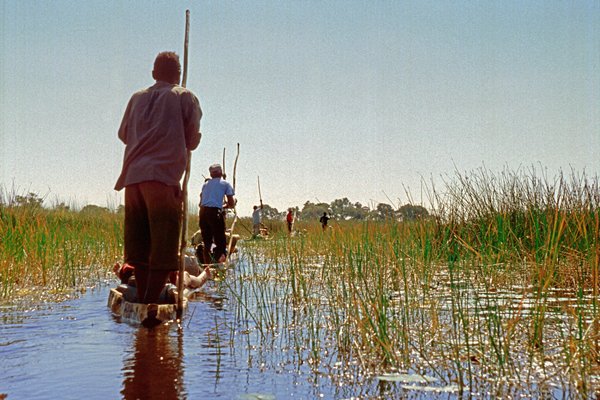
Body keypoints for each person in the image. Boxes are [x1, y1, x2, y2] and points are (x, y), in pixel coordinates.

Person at [114, 51, 202, 304]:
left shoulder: (136, 98)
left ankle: (143, 298)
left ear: (154, 74)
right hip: (162, 178)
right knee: (163, 251)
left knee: (139, 251)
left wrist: (146, 138)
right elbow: (192, 139)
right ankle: (149, 304)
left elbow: (123, 134)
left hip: (133, 179)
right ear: (179, 74)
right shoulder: (185, 96)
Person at [199, 163, 235, 264]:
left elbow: (203, 201)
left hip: (202, 213)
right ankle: (220, 265)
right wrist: (227, 205)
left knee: (207, 242)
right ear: (221, 173)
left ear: (211, 174)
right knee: (220, 241)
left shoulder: (205, 184)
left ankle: (206, 267)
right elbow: (231, 203)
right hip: (214, 213)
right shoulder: (225, 184)